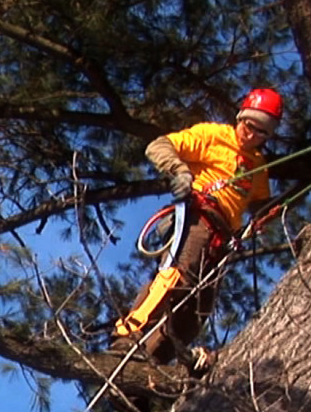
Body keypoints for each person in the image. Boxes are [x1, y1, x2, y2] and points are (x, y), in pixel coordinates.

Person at [110, 88, 282, 368]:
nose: (251, 135)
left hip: (224, 239)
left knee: (196, 311)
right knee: (177, 278)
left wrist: (273, 211)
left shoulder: (259, 166)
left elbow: (260, 206)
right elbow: (159, 146)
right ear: (240, 118)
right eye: (248, 126)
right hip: (198, 218)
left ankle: (150, 364)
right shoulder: (213, 136)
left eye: (261, 132)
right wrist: (180, 172)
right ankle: (128, 337)